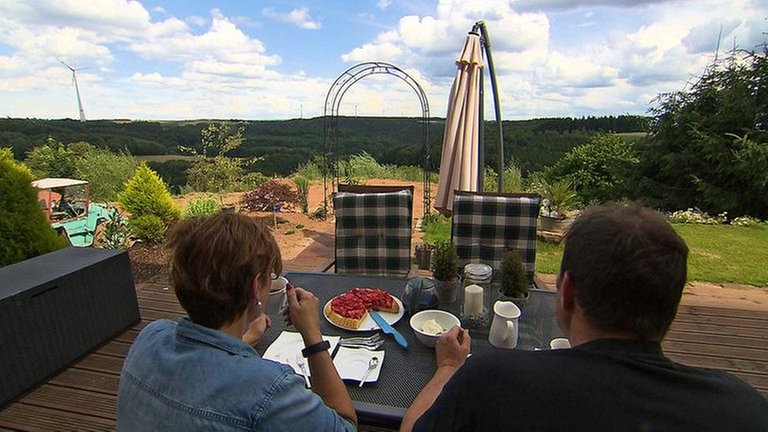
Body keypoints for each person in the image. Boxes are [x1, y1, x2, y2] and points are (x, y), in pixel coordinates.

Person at [401, 204, 768, 432]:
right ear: (671, 303)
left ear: (568, 292)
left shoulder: (492, 380)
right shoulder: (744, 409)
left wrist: (449, 367)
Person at [117, 212, 357, 431]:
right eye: (269, 277)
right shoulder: (268, 389)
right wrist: (313, 336)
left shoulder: (150, 338)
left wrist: (248, 337)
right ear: (256, 288)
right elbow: (346, 425)